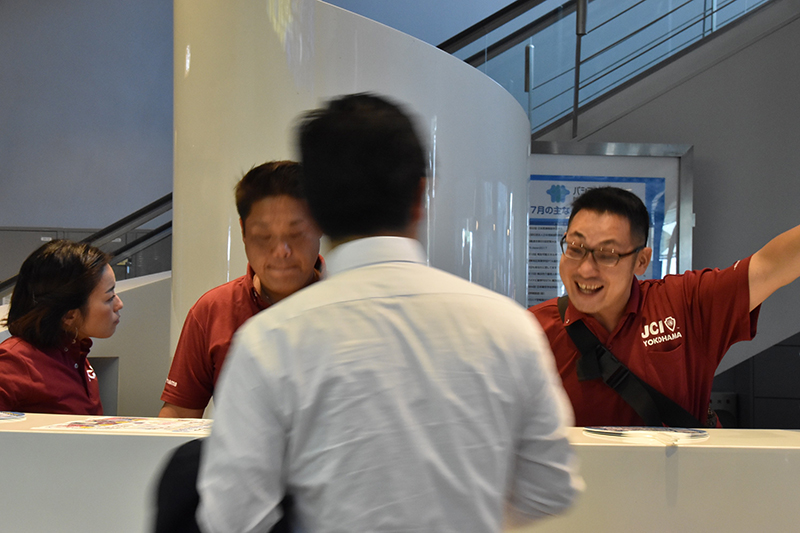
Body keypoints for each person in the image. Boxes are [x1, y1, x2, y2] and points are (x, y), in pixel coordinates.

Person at [196, 93, 582, 533]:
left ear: (316, 210)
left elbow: (232, 518)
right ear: (420, 193)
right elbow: (551, 488)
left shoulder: (270, 341)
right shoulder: (509, 327)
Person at [529, 186, 800, 427]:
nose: (586, 269)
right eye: (575, 248)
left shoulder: (685, 304)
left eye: (607, 254)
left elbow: (770, 266)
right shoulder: (533, 330)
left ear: (641, 261)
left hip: (680, 470)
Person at [159, 161, 323, 418]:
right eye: (264, 236)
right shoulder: (213, 310)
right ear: (244, 232)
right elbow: (179, 415)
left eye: (297, 234)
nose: (281, 251)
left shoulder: (351, 305)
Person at [0, 240, 123, 414]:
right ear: (69, 315)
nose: (119, 304)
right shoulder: (15, 361)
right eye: (109, 298)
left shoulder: (75, 352)